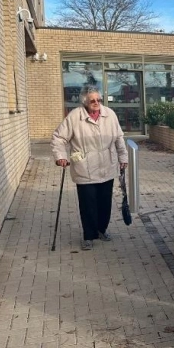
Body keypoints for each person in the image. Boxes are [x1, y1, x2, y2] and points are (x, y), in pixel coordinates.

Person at [51, 87, 128, 251]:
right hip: (84, 168)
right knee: (88, 204)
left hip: (106, 166)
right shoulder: (75, 117)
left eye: (98, 100)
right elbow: (59, 138)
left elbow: (119, 138)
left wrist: (123, 158)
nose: (96, 103)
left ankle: (102, 230)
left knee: (105, 203)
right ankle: (89, 235)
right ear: (85, 102)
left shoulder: (109, 114)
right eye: (92, 100)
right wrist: (61, 157)